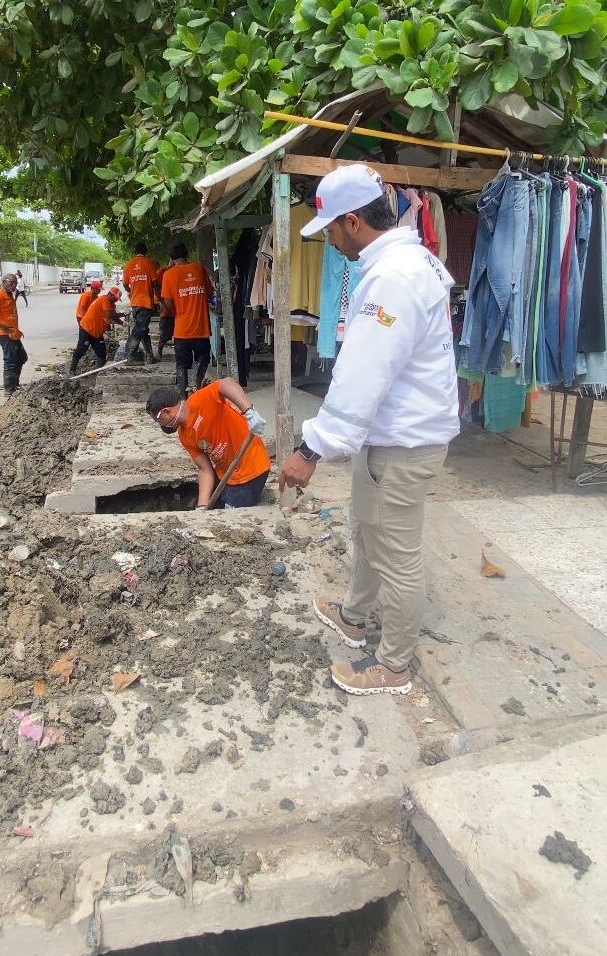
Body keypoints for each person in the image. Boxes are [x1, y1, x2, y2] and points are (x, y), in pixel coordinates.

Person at [279, 163, 459, 697]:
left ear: (353, 222)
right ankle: (357, 614)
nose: (330, 243)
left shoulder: (393, 278)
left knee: (396, 554)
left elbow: (361, 377)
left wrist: (309, 450)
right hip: (390, 439)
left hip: (402, 444)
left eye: (331, 230)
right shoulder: (401, 262)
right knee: (366, 529)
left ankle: (395, 665)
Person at [147, 379, 269, 509]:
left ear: (166, 412)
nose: (160, 424)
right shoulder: (184, 436)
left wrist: (249, 411)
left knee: (230, 515)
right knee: (211, 506)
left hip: (251, 468)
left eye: (158, 420)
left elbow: (226, 383)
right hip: (226, 475)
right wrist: (202, 506)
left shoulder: (200, 400)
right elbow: (205, 469)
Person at [160, 241, 213, 397]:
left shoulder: (168, 275)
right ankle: (196, 385)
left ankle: (183, 396)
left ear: (171, 257)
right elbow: (209, 293)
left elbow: (167, 301)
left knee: (181, 364)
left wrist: (178, 310)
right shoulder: (199, 268)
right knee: (203, 358)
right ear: (187, 253)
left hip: (181, 330)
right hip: (201, 328)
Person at [70, 286, 123, 374]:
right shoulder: (104, 300)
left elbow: (113, 316)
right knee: (81, 350)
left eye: (117, 299)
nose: (116, 300)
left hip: (97, 333)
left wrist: (122, 323)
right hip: (87, 329)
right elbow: (110, 315)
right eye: (116, 298)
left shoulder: (112, 304)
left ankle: (99, 372)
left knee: (101, 352)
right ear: (110, 294)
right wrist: (123, 314)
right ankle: (72, 371)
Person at [122, 242, 157, 363]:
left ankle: (149, 356)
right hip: (145, 302)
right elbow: (154, 283)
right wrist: (160, 298)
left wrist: (131, 291)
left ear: (134, 252)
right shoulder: (149, 263)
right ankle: (129, 354)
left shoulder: (128, 265)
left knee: (143, 329)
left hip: (135, 302)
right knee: (139, 329)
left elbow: (125, 284)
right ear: (146, 251)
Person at [155, 261, 174, 359]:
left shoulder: (165, 272)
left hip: (177, 310)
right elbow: (155, 285)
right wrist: (161, 301)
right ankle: (159, 352)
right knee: (164, 333)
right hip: (167, 310)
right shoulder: (163, 272)